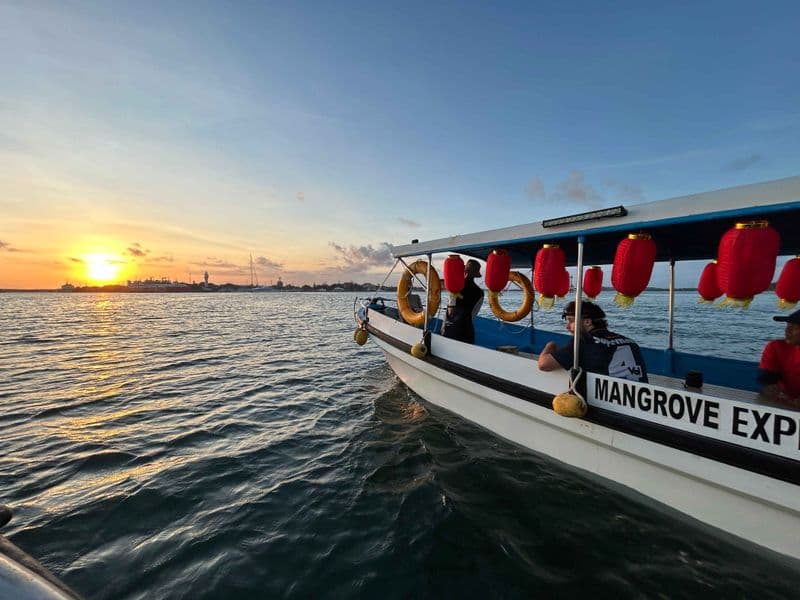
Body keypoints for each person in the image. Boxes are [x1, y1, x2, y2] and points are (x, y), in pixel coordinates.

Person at [538, 300, 648, 382]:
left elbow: (544, 364)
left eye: (571, 321)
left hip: (609, 402)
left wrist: (550, 345)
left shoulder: (583, 341)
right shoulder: (630, 342)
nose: (567, 327)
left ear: (587, 322)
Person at [758, 309, 800, 409]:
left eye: (794, 327)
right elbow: (766, 383)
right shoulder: (776, 347)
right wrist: (771, 390)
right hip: (785, 407)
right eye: (787, 325)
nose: (787, 331)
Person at [442, 259, 484, 344]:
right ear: (476, 274)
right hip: (467, 331)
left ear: (465, 271)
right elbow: (474, 314)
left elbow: (451, 307)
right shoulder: (480, 292)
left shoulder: (454, 286)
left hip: (451, 329)